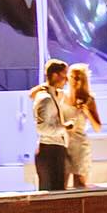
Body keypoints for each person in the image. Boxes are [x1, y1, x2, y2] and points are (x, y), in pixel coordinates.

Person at [29, 59, 70, 191]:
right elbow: (42, 128)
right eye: (64, 76)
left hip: (56, 149)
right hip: (49, 150)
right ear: (55, 75)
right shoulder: (45, 99)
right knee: (51, 194)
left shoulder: (53, 95)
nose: (66, 80)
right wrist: (64, 128)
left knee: (57, 192)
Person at [64, 63, 102, 188]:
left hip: (79, 145)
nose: (75, 81)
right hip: (63, 143)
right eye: (72, 77)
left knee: (79, 183)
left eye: (78, 78)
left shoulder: (89, 99)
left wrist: (87, 112)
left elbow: (97, 127)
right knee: (61, 182)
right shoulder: (62, 96)